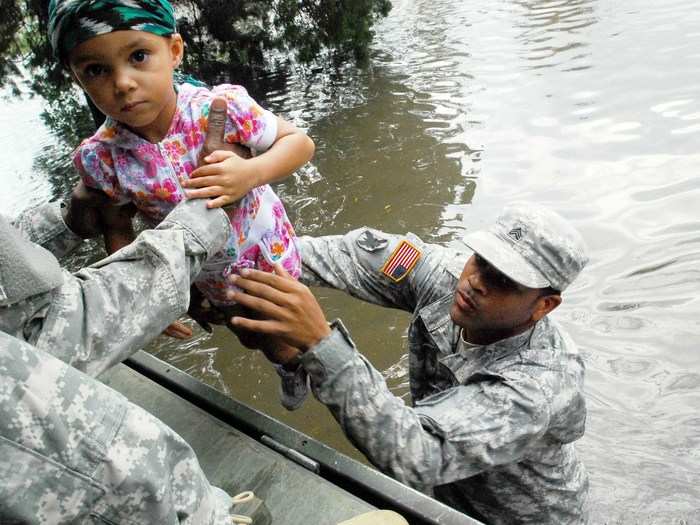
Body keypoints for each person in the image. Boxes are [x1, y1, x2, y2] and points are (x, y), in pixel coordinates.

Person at [226, 203, 591, 524]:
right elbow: (351, 255)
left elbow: (415, 452)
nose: (476, 282)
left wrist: (322, 344)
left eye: (503, 281)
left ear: (544, 306)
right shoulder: (445, 277)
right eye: (480, 260)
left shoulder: (538, 384)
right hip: (444, 495)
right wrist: (234, 266)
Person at [47, 0, 315, 396]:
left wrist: (249, 173)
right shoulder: (103, 156)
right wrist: (145, 294)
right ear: (77, 78)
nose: (122, 83)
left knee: (286, 328)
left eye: (138, 56)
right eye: (96, 70)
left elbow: (299, 143)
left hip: (266, 253)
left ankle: (305, 367)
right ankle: (284, 363)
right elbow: (118, 227)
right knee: (244, 330)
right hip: (204, 275)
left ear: (173, 51)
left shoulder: (218, 110)